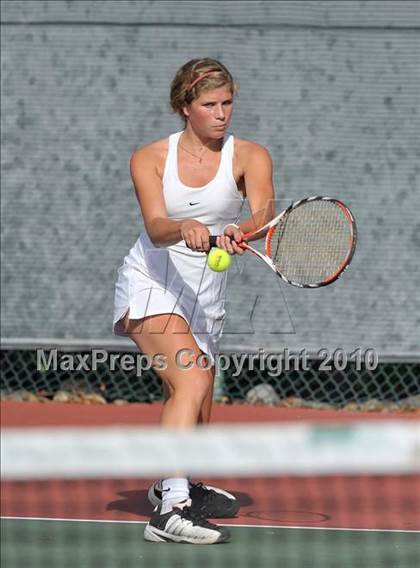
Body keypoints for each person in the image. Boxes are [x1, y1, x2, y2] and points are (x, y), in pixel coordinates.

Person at [113, 58, 275, 544]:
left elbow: (264, 214)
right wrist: (182, 228)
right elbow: (156, 227)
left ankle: (173, 481)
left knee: (197, 399)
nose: (221, 113)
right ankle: (170, 513)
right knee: (193, 377)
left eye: (227, 103)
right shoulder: (149, 158)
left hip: (206, 296)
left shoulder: (250, 156)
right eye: (209, 105)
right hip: (150, 282)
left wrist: (237, 229)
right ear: (185, 107)